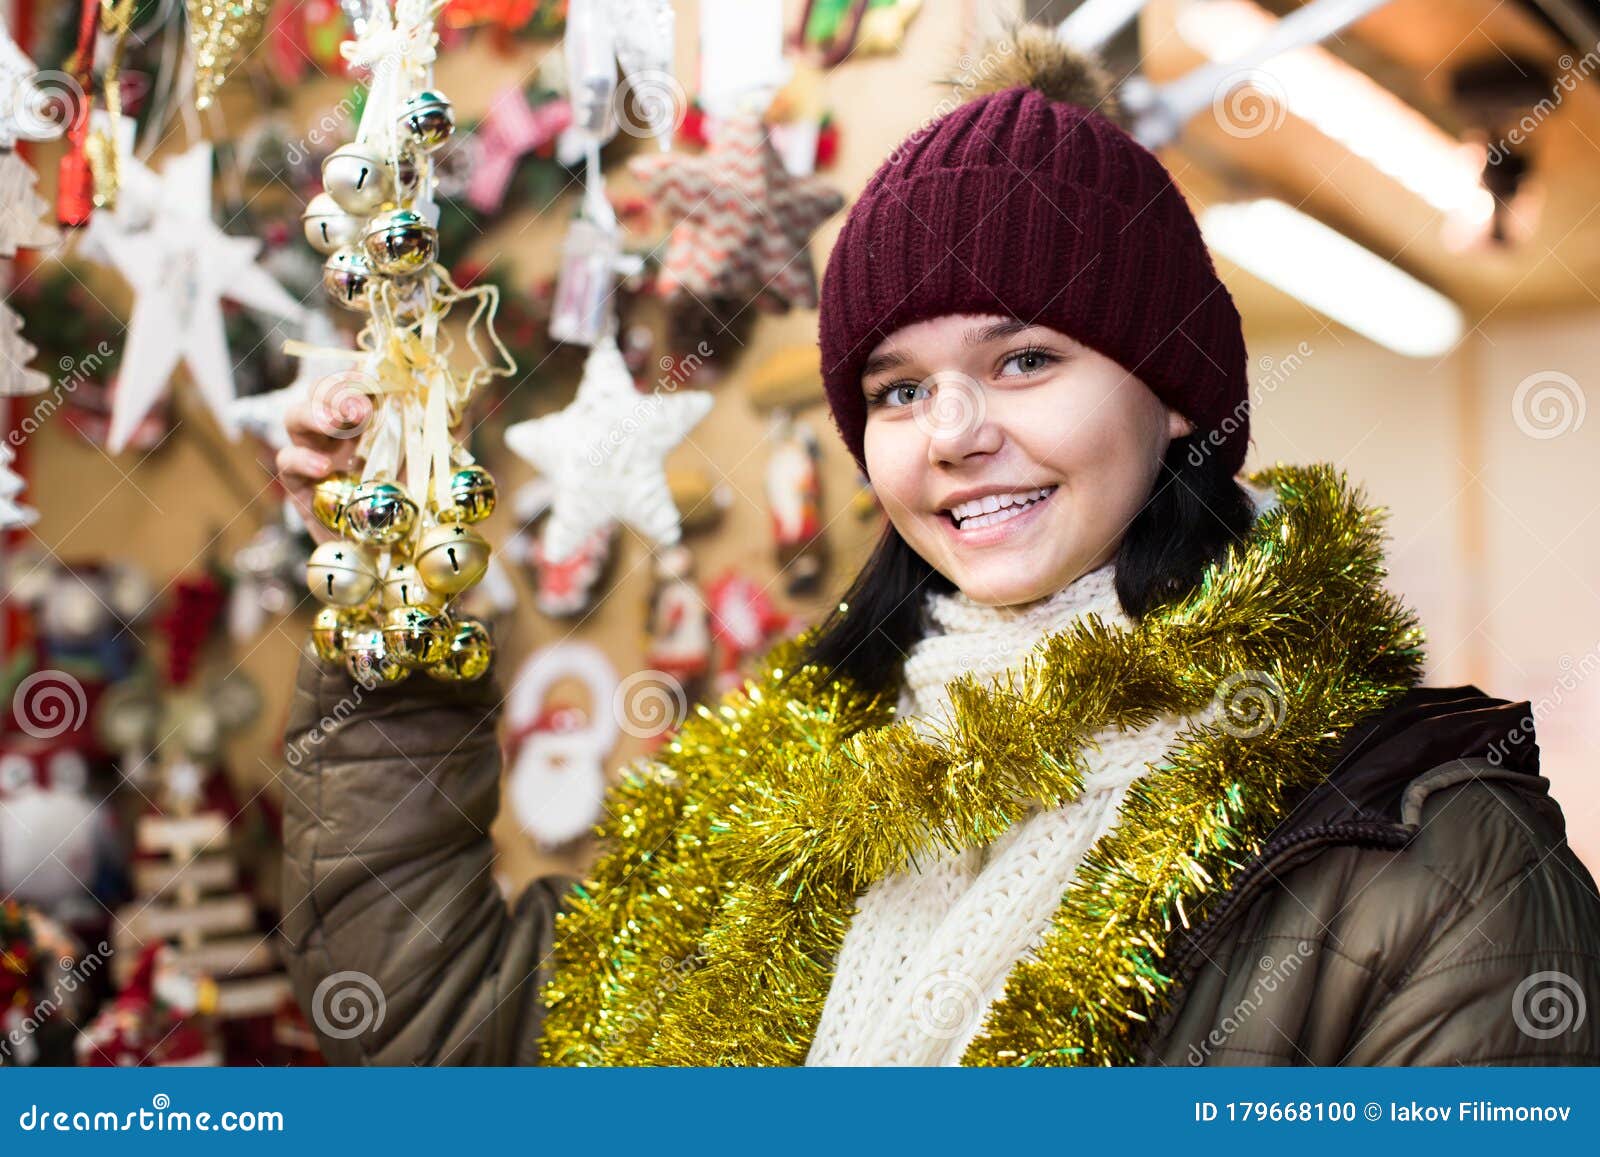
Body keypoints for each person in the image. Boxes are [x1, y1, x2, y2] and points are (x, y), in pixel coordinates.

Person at [274, 27, 1600, 1066]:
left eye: (1025, 357)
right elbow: (446, 1034)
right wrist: (391, 573)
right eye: (898, 388)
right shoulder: (789, 792)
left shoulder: (1439, 862)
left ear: (1177, 395)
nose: (952, 433)